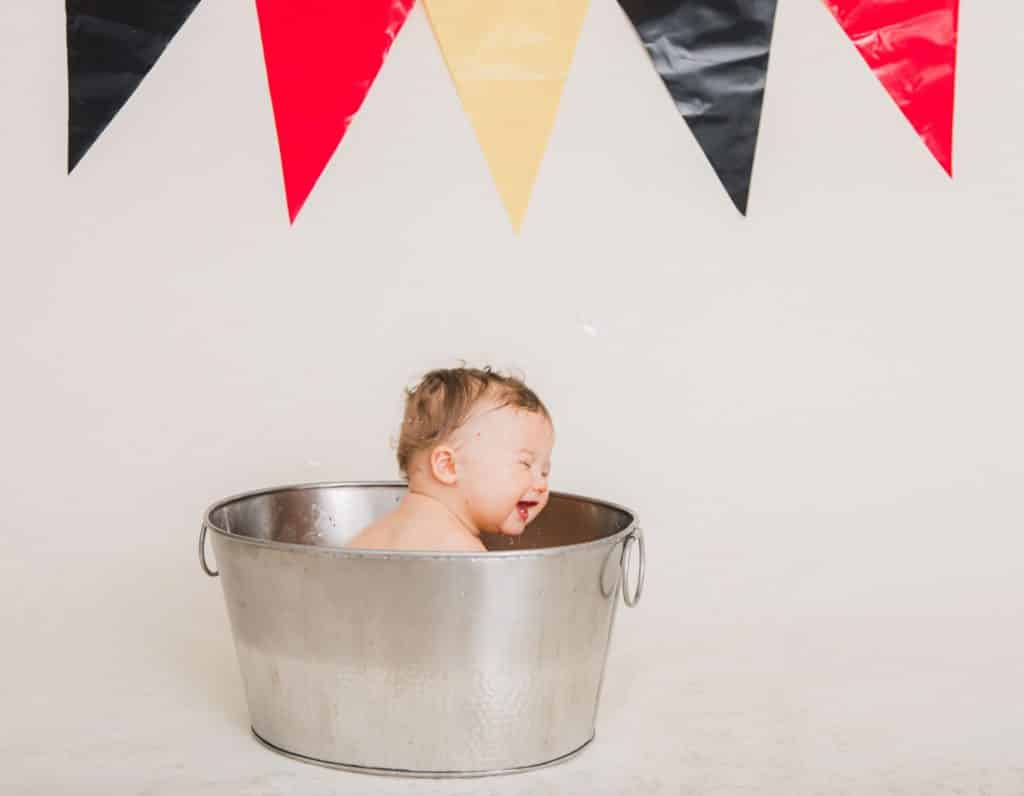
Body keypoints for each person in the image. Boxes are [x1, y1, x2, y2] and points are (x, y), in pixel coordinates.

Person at [346, 366, 554, 552]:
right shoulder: (461, 553)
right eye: (525, 464)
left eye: (545, 471)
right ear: (448, 466)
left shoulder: (372, 535)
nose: (542, 485)